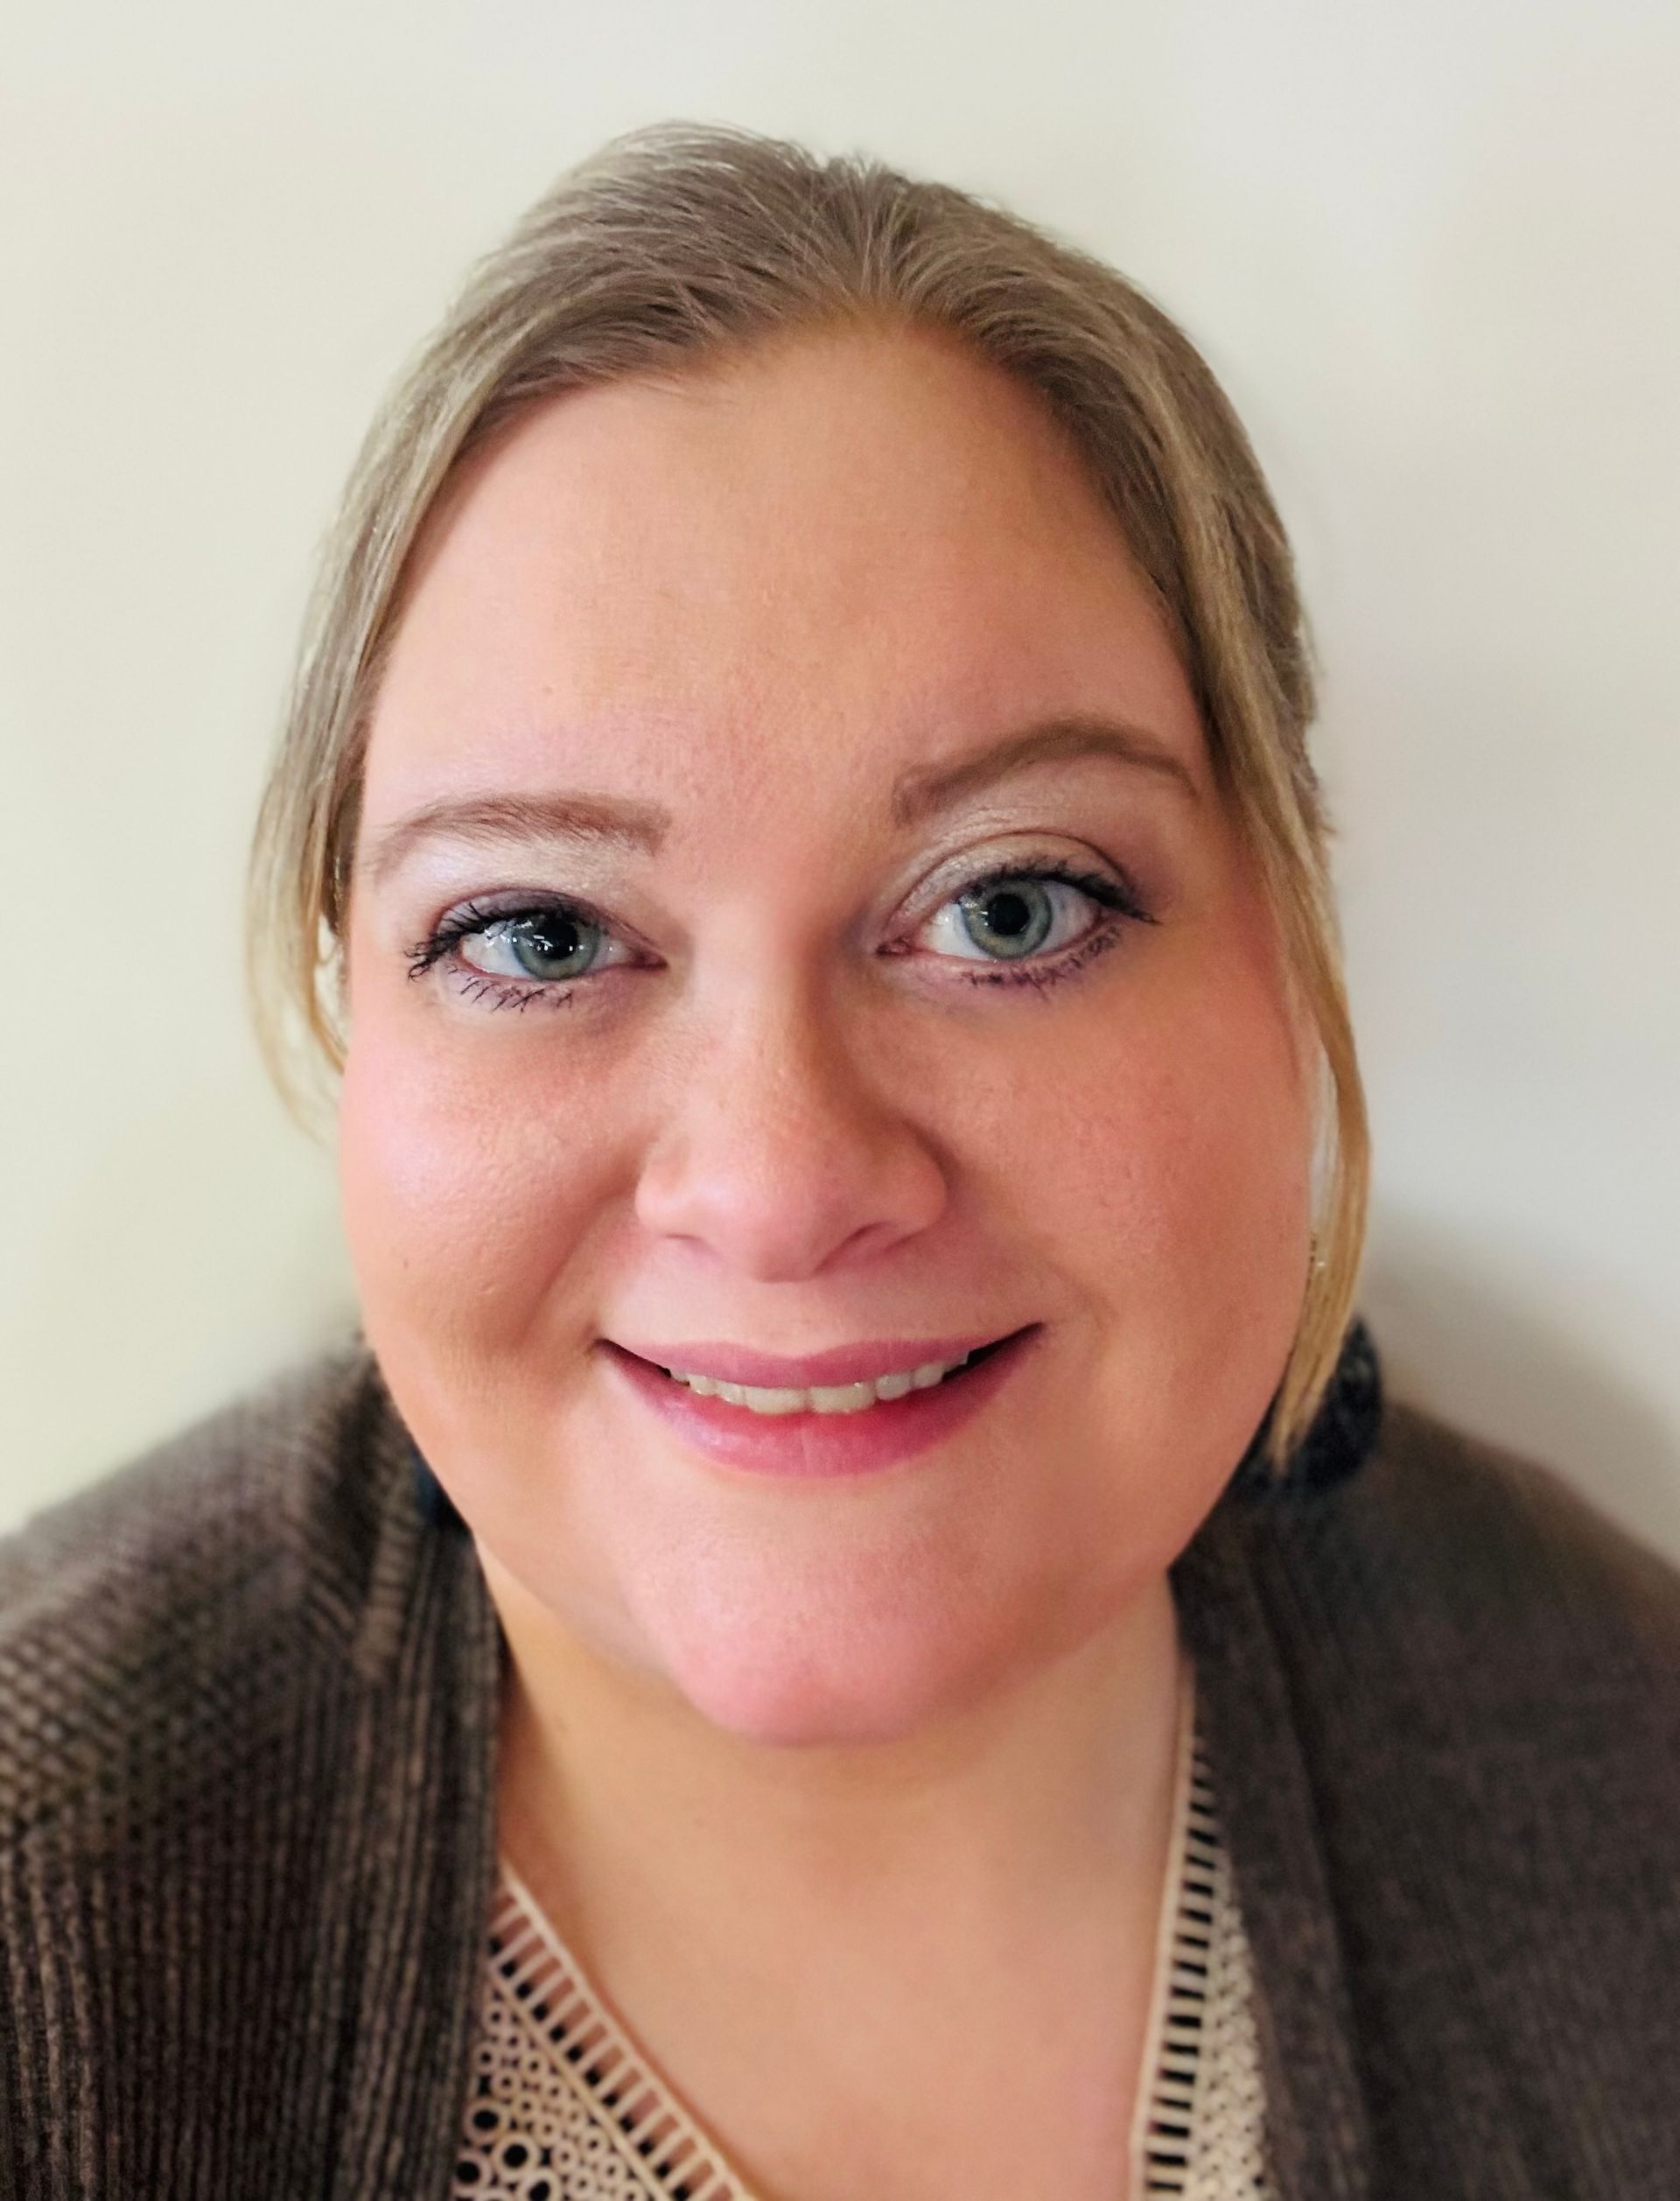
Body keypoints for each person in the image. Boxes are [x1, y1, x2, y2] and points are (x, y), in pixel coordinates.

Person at [1, 120, 1675, 2201]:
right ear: (346, 1002)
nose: (783, 1187)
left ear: (1287, 940)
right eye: (538, 934)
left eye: (1011, 908)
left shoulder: (1632, 1796)